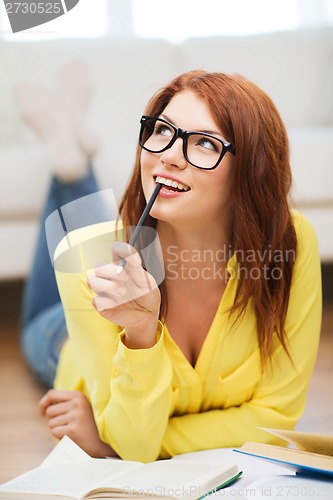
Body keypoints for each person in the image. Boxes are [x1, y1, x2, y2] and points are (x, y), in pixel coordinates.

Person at [18, 69, 322, 463]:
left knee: (80, 222)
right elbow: (136, 446)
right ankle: (69, 164)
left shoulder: (289, 243)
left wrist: (109, 439)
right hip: (64, 338)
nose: (168, 155)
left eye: (205, 144)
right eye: (162, 131)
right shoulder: (84, 256)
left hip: (93, 316)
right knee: (44, 313)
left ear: (253, 169)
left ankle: (72, 157)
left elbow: (274, 420)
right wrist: (140, 333)